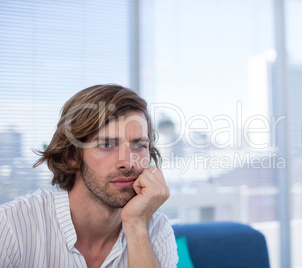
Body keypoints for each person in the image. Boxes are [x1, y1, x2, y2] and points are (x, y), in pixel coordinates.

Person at [0, 84, 178, 268]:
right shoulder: (10, 226)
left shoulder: (155, 229)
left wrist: (135, 226)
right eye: (107, 145)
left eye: (139, 145)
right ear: (72, 156)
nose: (128, 162)